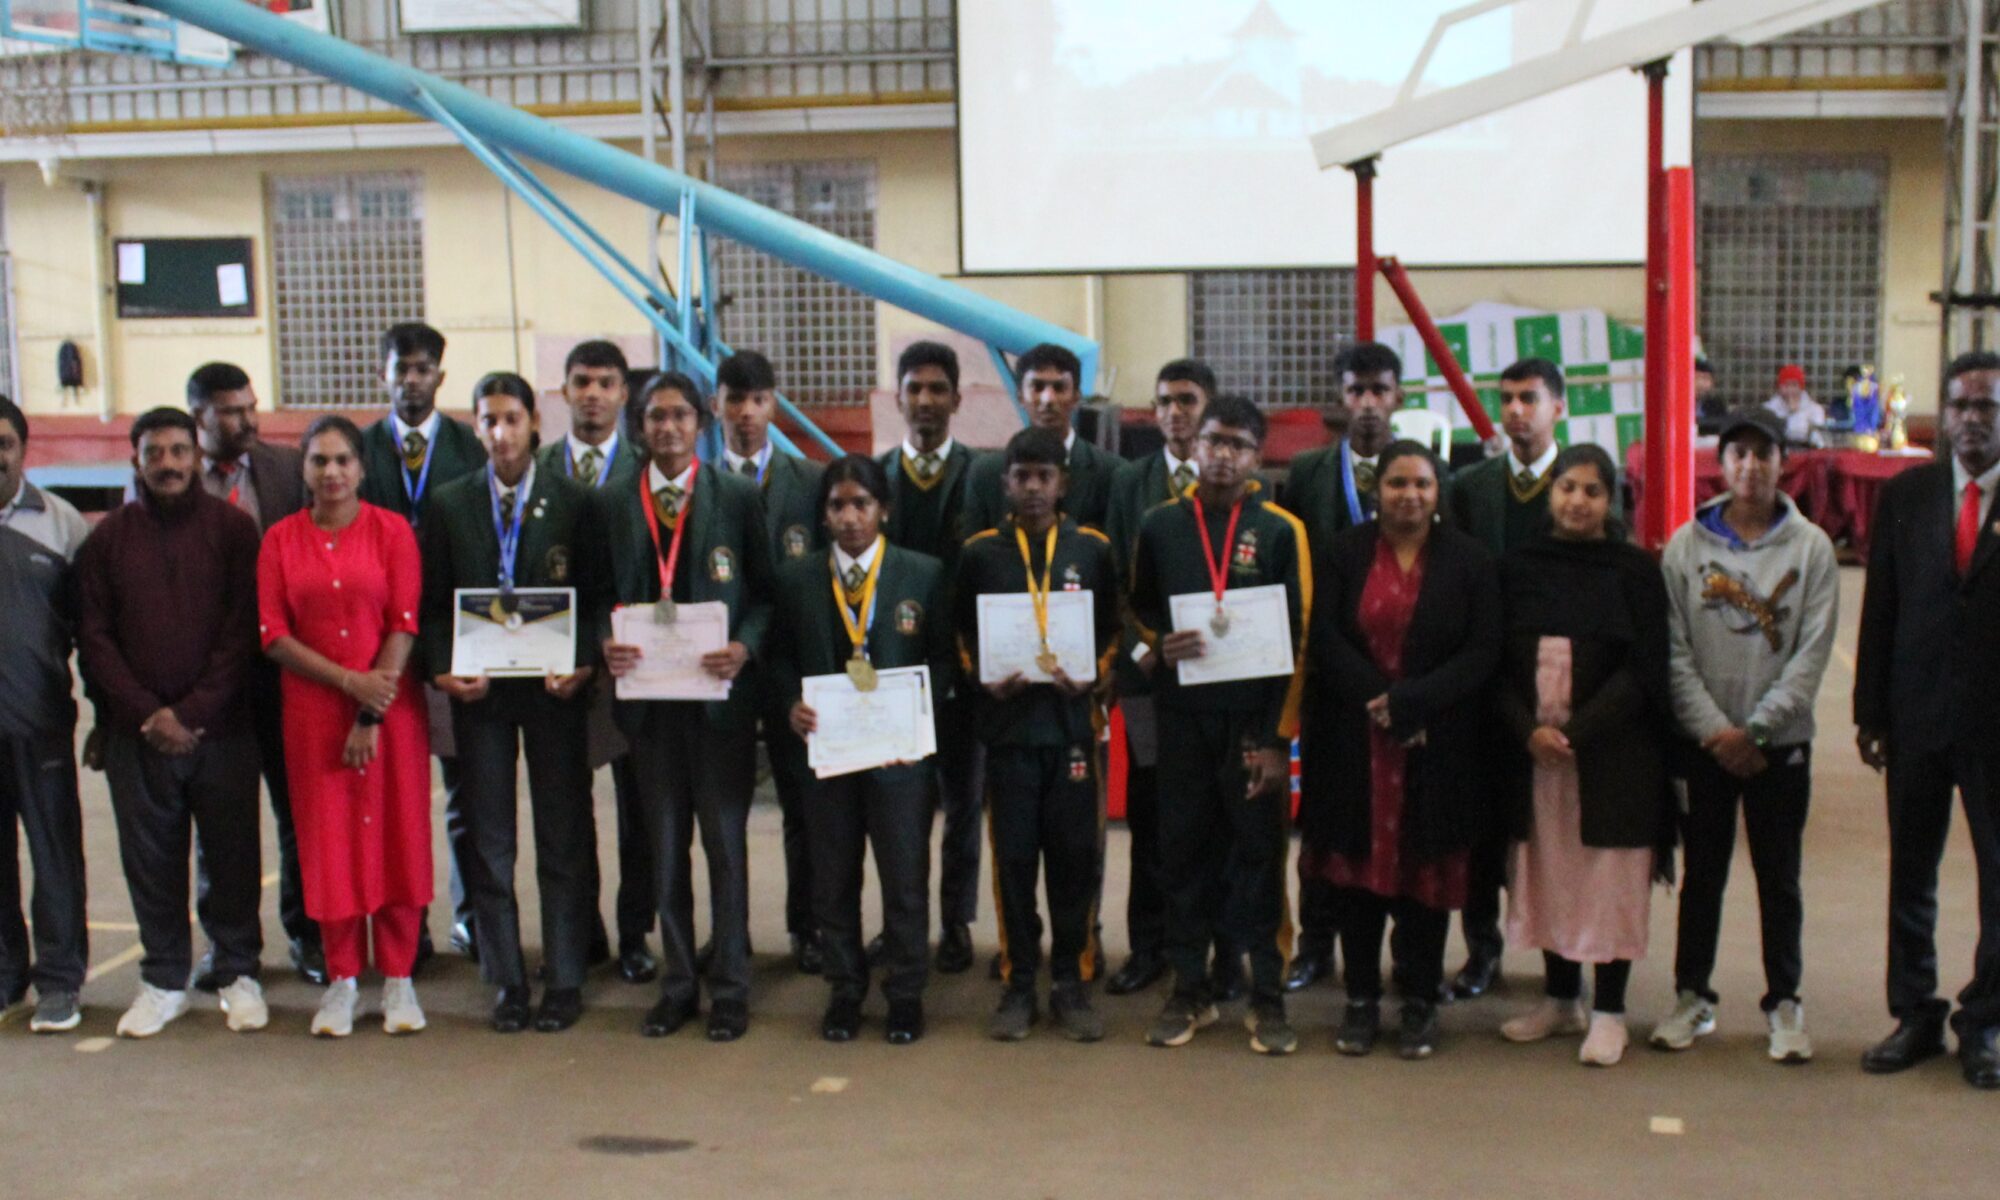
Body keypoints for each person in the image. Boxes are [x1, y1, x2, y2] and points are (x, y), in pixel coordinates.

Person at [592, 371, 776, 1042]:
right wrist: (604, 641)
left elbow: (764, 595)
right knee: (665, 849)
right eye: (655, 416)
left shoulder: (736, 496)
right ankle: (677, 986)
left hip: (718, 705)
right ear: (639, 427)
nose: (668, 427)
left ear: (701, 423)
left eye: (680, 415)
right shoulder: (613, 501)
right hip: (650, 710)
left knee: (725, 847)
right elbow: (596, 593)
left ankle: (730, 987)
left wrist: (744, 647)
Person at [1304, 441, 1500, 1059]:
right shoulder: (1343, 552)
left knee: (1425, 878)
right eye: (1396, 483)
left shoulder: (1470, 560)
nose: (1409, 495)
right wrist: (1380, 699)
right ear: (1376, 489)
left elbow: (1482, 649)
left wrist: (1413, 702)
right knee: (1356, 880)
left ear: (1439, 491)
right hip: (1354, 741)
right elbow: (1324, 636)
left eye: (1421, 483)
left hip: (1437, 743)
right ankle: (1361, 999)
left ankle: (1419, 1000)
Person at [1129, 395, 1312, 1055]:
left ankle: (1268, 999)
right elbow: (1134, 614)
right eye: (1213, 441)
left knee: (1258, 861)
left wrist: (1278, 740)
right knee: (1183, 857)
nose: (1223, 455)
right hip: (1182, 722)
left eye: (1238, 444)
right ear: (1195, 446)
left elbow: (1300, 637)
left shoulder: (1282, 531)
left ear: (1258, 456)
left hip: (1251, 729)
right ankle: (1190, 991)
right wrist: (1155, 647)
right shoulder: (1159, 525)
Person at [76, 408, 266, 1038]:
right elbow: (94, 639)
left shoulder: (234, 531)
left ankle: (237, 972)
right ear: (135, 460)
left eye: (179, 451)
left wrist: (191, 711)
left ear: (197, 456)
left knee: (233, 856)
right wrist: (148, 714)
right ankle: (162, 982)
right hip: (138, 737)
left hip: (223, 731)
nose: (168, 463)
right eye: (154, 452)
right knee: (151, 861)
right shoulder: (106, 541)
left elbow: (242, 631)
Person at [1656, 409, 1837, 1063]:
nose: (1751, 466)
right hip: (1704, 745)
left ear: (1783, 463)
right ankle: (1692, 996)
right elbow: (1673, 653)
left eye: (1764, 453)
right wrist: (1716, 732)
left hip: (1777, 747)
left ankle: (1784, 1002)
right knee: (1702, 875)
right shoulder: (1686, 547)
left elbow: (1811, 656)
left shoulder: (1812, 549)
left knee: (1778, 877)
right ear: (1722, 463)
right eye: (1739, 453)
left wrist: (1757, 731)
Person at [422, 373, 599, 1034]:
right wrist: (442, 667)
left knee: (562, 834)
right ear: (475, 427)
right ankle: (506, 980)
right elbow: (433, 603)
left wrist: (583, 661)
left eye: (512, 419)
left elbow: (597, 596)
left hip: (554, 692)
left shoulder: (574, 501)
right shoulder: (449, 503)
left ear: (534, 424)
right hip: (483, 693)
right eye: (489, 420)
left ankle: (566, 976)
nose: (501, 433)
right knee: (490, 838)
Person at [1495, 444, 1673, 1067]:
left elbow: (1644, 669)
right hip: (1537, 758)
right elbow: (1496, 664)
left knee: (1608, 880)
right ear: (1551, 494)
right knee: (1550, 873)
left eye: (1592, 492)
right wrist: (1529, 732)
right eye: (1567, 487)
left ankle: (1609, 1011)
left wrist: (1578, 732)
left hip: (1612, 756)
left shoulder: (1635, 571)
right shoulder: (1518, 567)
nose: (1577, 501)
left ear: (1610, 501)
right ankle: (1561, 998)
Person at [1853, 350, 2000, 1090]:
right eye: (1961, 406)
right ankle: (1914, 1013)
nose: (1973, 419)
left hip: (1995, 728)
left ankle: (1987, 1021)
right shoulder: (1908, 496)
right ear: (1943, 416)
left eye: (1988, 406)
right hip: (1915, 716)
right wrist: (1870, 710)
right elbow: (1881, 604)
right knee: (1912, 872)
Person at [260, 415, 432, 1037]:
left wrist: (369, 707)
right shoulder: (280, 540)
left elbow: (404, 622)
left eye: (342, 460)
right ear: (303, 470)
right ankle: (342, 981)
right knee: (328, 844)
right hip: (313, 716)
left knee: (397, 838)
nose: (331, 472)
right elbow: (274, 634)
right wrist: (346, 683)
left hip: (390, 712)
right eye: (319, 461)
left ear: (361, 468)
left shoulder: (392, 532)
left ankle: (400, 979)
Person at [771, 455, 950, 1044]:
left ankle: (906, 993)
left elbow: (943, 659)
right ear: (823, 515)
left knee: (904, 880)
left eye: (861, 504)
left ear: (884, 510)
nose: (850, 518)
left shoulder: (922, 574)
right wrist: (789, 704)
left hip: (901, 760)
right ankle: (845, 989)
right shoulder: (797, 578)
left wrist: (917, 717)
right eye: (837, 505)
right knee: (833, 880)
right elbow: (779, 659)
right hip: (830, 757)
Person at [958, 428, 1122, 1042]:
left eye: (1044, 476)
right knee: (1014, 863)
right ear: (1005, 483)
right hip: (1009, 736)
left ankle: (1072, 982)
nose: (1032, 487)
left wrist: (1097, 673)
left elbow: (1115, 628)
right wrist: (982, 677)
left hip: (1074, 733)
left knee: (1076, 861)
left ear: (1063, 483)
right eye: (1022, 476)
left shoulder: (1093, 550)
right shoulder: (980, 554)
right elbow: (960, 634)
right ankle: (1020, 981)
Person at [183, 363, 321, 988]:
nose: (248, 420)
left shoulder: (287, 471)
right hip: (209, 679)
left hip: (283, 672)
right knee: (221, 822)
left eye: (250, 406)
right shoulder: (174, 476)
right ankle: (230, 949)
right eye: (231, 411)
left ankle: (309, 937)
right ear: (200, 417)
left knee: (299, 814)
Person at [356, 321, 488, 965]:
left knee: (466, 790)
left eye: (422, 369)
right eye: (400, 368)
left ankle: (471, 917)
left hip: (451, 637)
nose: (411, 380)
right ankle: (405, 925)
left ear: (440, 374)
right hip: (377, 644)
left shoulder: (470, 447)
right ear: (382, 373)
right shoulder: (356, 450)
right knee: (388, 793)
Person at [1440, 356, 1566, 1001]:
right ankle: (1482, 949)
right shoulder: (1472, 487)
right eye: (1507, 398)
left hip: (1556, 680)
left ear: (1558, 408)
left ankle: (1560, 962)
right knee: (1480, 826)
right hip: (1483, 677)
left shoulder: (1583, 482)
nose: (1516, 410)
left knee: (1550, 828)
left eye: (1530, 399)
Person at [536, 339, 657, 985]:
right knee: (565, 812)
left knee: (639, 809)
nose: (593, 393)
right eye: (581, 381)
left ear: (623, 394)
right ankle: (581, 932)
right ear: (563, 391)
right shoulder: (534, 468)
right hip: (553, 665)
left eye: (606, 382)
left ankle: (636, 932)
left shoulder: (649, 471)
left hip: (630, 663)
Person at [1283, 341, 1403, 993]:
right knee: (1325, 815)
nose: (1368, 403)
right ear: (1341, 398)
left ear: (1398, 397)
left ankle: (1412, 950)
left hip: (1404, 673)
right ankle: (1315, 943)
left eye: (1379, 390)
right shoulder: (1306, 471)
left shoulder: (1425, 469)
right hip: (1329, 669)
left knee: (1407, 813)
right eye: (1356, 390)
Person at [713, 349, 826, 976]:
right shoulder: (696, 483)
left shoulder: (810, 483)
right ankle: (729, 933)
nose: (746, 413)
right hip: (720, 665)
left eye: (757, 400)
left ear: (774, 405)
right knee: (722, 812)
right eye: (735, 399)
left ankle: (807, 927)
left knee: (802, 804)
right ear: (716, 405)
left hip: (791, 667)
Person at [1103, 358, 1213, 997]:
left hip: (1217, 677)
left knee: (1212, 817)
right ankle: (1148, 947)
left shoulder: (1236, 480)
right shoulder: (1129, 481)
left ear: (1209, 408)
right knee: (1150, 814)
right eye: (1165, 401)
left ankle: (1209, 948)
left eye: (1188, 400)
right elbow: (1114, 575)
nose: (1175, 412)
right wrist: (1144, 648)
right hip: (1149, 677)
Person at [875, 342, 983, 977]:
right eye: (914, 388)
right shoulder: (873, 476)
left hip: (964, 667)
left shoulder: (984, 476)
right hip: (889, 671)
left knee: (963, 802)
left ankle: (956, 921)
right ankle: (901, 923)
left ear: (957, 400)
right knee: (898, 808)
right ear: (898, 397)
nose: (925, 400)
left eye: (938, 389)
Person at [0, 396, 93, 1034]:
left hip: (40, 725)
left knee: (55, 855)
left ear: (22, 449)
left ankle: (60, 982)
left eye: (3, 443)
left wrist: (107, 717)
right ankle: (6, 975)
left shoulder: (62, 525)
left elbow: (94, 632)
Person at [962, 342, 1121, 537]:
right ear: (1020, 396)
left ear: (1076, 398)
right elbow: (974, 550)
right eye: (1037, 387)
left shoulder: (1113, 474)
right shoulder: (986, 473)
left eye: (1059, 388)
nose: (1048, 399)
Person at [1763, 364, 1826, 448]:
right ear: (1779, 387)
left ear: (1801, 388)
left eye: (1794, 385)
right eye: (1786, 385)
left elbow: (1819, 440)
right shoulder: (1768, 409)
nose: (1790, 390)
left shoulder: (1815, 410)